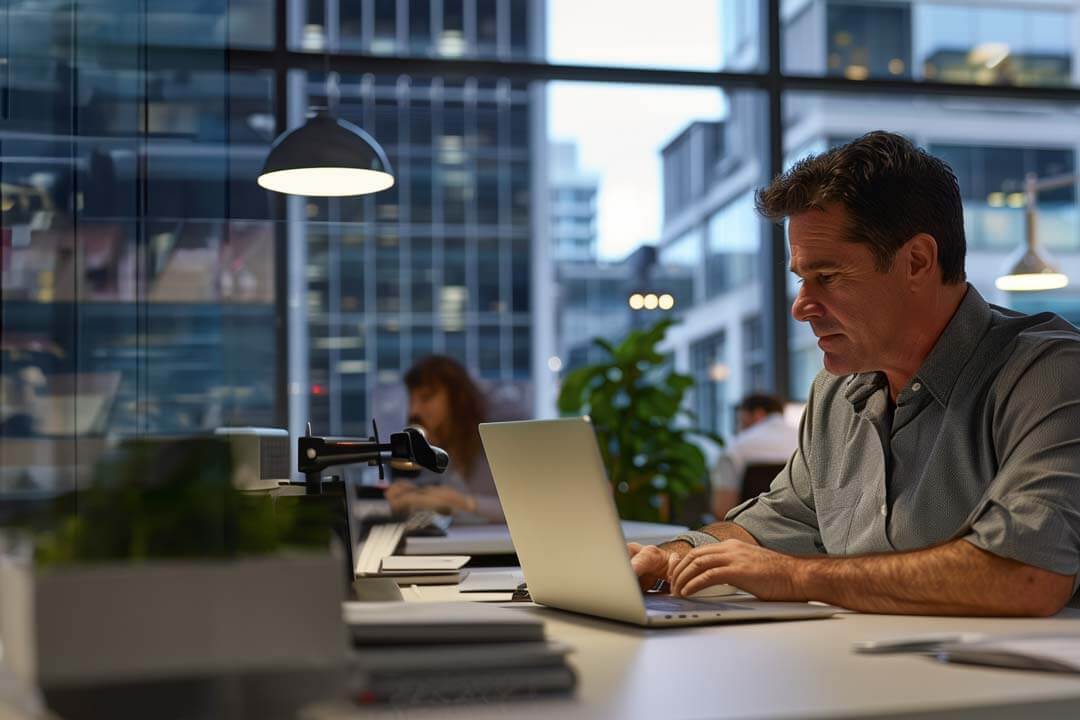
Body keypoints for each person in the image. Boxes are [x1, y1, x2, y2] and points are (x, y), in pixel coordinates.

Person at [630, 131, 1080, 617]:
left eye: (827, 277)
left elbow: (1028, 576)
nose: (802, 307)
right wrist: (674, 556)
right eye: (802, 279)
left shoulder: (1049, 375)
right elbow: (773, 522)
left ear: (917, 261)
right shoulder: (836, 394)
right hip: (862, 673)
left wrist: (792, 575)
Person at [383, 355, 504, 523]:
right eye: (412, 400)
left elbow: (525, 509)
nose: (413, 411)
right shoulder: (421, 455)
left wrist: (463, 503)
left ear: (457, 399)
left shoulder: (496, 446)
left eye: (426, 398)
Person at [711, 393, 799, 519]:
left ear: (758, 414)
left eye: (741, 420)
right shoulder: (806, 441)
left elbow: (722, 509)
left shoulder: (736, 447)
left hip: (749, 531)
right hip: (803, 529)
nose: (740, 426)